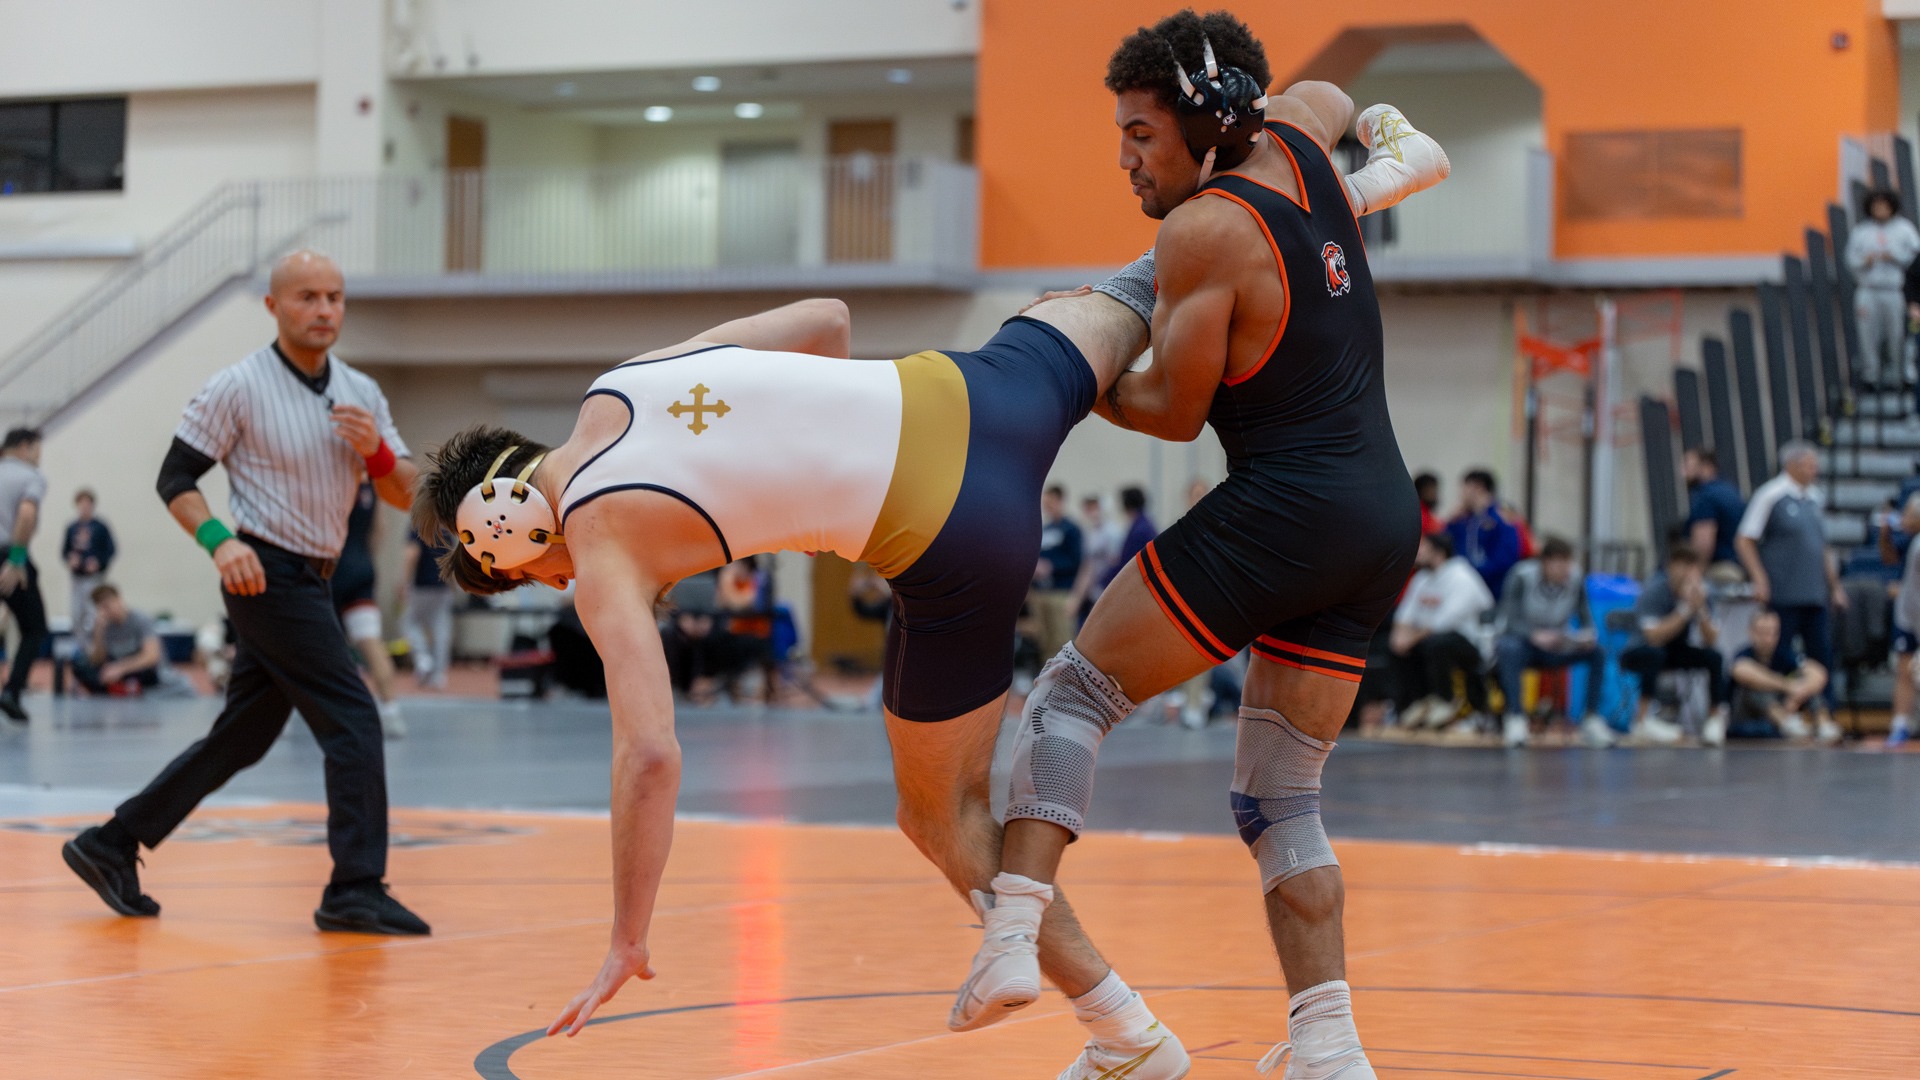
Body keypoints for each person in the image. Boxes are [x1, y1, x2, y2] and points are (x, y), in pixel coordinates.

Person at [407, 290, 1180, 1067]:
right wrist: (817, 461)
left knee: (939, 813)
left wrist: (626, 937)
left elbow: (648, 758)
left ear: (505, 525)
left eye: (532, 572)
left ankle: (1124, 1032)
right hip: (981, 390)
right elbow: (828, 319)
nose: (552, 579)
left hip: (955, 536)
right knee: (1145, 278)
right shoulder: (625, 379)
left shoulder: (599, 548)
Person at [963, 13, 1449, 1079]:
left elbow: (1175, 413)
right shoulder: (1310, 143)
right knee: (1281, 798)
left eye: (1141, 134)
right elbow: (1329, 99)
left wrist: (1078, 371)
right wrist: (1393, 155)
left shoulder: (1205, 231)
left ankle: (1009, 938)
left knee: (1071, 698)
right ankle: (1328, 1047)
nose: (1126, 157)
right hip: (1379, 518)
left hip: (1290, 508)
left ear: (1207, 126)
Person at [60, 250, 429, 936]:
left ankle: (112, 844)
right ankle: (355, 886)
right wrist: (219, 542)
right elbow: (176, 479)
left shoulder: (362, 392)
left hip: (315, 579)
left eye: (335, 298)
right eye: (308, 297)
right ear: (274, 306)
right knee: (353, 718)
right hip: (265, 572)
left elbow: (406, 492)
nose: (324, 310)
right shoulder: (238, 386)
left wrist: (377, 450)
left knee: (243, 738)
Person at [1735, 440, 1845, 711]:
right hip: (1783, 592)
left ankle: (1823, 714)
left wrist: (1834, 587)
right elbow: (1745, 539)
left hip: (1814, 593)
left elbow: (1822, 547)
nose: (1815, 469)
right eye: (1810, 463)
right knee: (1779, 655)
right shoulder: (1771, 495)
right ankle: (1777, 712)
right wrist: (1759, 578)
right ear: (1792, 465)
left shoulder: (1816, 498)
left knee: (1821, 656)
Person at [1493, 535, 1604, 748]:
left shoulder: (1575, 579)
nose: (1566, 570)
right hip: (1526, 645)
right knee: (1508, 647)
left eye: (1568, 563)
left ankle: (1591, 719)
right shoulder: (1521, 576)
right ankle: (1516, 718)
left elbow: (1586, 619)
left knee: (1597, 652)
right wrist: (1534, 635)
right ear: (1544, 563)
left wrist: (1587, 637)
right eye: (1559, 563)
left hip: (1558, 644)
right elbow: (1508, 620)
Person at [1620, 544, 1729, 746]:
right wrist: (1685, 610)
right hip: (1639, 650)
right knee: (1654, 653)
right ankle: (1642, 720)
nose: (1688, 572)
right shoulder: (1655, 590)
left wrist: (1701, 609)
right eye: (1683, 566)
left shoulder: (1702, 592)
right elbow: (1653, 637)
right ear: (1670, 567)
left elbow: (1711, 638)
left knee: (1714, 657)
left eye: (1692, 566)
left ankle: (1714, 719)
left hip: (1674, 650)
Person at [1389, 532, 1494, 733]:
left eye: (1424, 548)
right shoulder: (1421, 579)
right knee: (1395, 646)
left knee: (1436, 643)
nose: (1418, 553)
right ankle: (1416, 702)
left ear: (1438, 552)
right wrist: (1398, 638)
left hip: (1468, 642)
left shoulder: (1461, 575)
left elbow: (1445, 621)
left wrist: (1409, 640)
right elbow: (1404, 614)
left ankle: (1445, 700)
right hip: (1429, 637)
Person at [332, 481, 406, 738]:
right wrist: (364, 558)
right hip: (362, 570)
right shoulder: (372, 488)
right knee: (371, 643)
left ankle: (289, 714)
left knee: (314, 645)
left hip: (331, 570)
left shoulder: (333, 481)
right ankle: (391, 711)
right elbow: (379, 531)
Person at [1845, 188, 1920, 387]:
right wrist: (1865, 261)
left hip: (1895, 289)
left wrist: (1895, 256)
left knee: (1897, 334)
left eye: (1884, 206)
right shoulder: (1861, 231)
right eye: (1876, 206)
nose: (1880, 210)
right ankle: (1871, 376)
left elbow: (1915, 259)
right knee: (1867, 334)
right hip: (1868, 288)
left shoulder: (1904, 229)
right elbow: (1851, 259)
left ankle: (1899, 376)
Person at [1729, 608, 1836, 743]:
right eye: (1762, 633)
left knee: (1806, 686)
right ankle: (1786, 722)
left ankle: (1824, 725)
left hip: (1783, 713)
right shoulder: (1744, 654)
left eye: (1772, 633)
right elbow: (1740, 671)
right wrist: (1787, 686)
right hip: (1747, 723)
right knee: (1755, 688)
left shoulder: (1784, 654)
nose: (1767, 639)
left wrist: (1797, 694)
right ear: (1751, 632)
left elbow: (1818, 673)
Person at [0, 428, 48, 724]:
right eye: (37, 451)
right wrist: (16, 561)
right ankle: (12, 692)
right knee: (34, 629)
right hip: (8, 556)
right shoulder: (30, 476)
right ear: (24, 447)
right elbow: (27, 514)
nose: (39, 458)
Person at [70, 583, 166, 695]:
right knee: (81, 664)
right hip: (115, 671)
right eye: (100, 608)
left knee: (147, 672)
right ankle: (119, 688)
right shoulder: (103, 625)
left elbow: (151, 656)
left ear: (118, 600)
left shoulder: (140, 619)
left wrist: (120, 668)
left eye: (107, 606)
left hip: (136, 669)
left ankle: (125, 688)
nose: (105, 611)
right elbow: (97, 660)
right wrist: (99, 633)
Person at [1447, 468, 1523, 597]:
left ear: (1478, 488)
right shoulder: (1462, 520)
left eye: (1465, 488)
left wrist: (1472, 575)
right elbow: (1444, 547)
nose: (1461, 494)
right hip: (1462, 589)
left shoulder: (1502, 518)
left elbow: (1505, 558)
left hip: (1492, 591)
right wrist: (1451, 521)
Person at [1031, 483, 1083, 661]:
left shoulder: (1071, 529)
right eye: (1045, 502)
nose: (1048, 506)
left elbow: (1076, 561)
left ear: (1060, 501)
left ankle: (1065, 682)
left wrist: (1051, 566)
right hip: (1041, 592)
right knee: (1045, 640)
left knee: (1062, 640)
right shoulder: (1045, 530)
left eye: (1051, 501)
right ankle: (1046, 681)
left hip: (1061, 593)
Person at [399, 529, 454, 690]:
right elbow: (451, 558)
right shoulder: (446, 530)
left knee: (408, 623)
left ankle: (422, 657)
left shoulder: (418, 528)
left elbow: (411, 555)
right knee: (441, 629)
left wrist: (405, 582)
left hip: (421, 586)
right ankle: (438, 675)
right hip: (442, 586)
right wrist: (451, 584)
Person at [62, 488, 117, 636]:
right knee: (76, 614)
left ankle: (97, 646)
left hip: (94, 579)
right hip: (77, 578)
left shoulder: (101, 527)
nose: (84, 507)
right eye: (81, 504)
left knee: (94, 614)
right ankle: (83, 649)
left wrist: (99, 562)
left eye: (87, 504)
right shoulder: (72, 528)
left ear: (92, 505)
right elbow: (64, 551)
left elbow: (111, 550)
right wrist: (70, 560)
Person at [1888, 493, 1920, 748]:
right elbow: (1888, 557)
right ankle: (1900, 724)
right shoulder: (1912, 542)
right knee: (1905, 669)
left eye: (1909, 514)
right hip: (1909, 615)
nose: (1904, 518)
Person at [1683, 448, 1744, 571]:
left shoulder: (1706, 497)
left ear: (1707, 466)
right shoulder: (1729, 490)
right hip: (1740, 564)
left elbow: (1704, 544)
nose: (1683, 473)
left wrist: (1695, 573)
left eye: (1687, 465)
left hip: (1721, 567)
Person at [1069, 493, 1123, 618]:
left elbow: (1115, 564)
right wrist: (1077, 597)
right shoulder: (1091, 533)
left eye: (1094, 507)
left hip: (1108, 590)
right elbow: (1088, 567)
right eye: (1088, 508)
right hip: (1093, 592)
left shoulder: (1113, 533)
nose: (1091, 511)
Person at [1413, 471, 1442, 537]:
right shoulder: (1419, 518)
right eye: (1431, 490)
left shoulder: (1428, 516)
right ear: (1421, 491)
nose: (1435, 495)